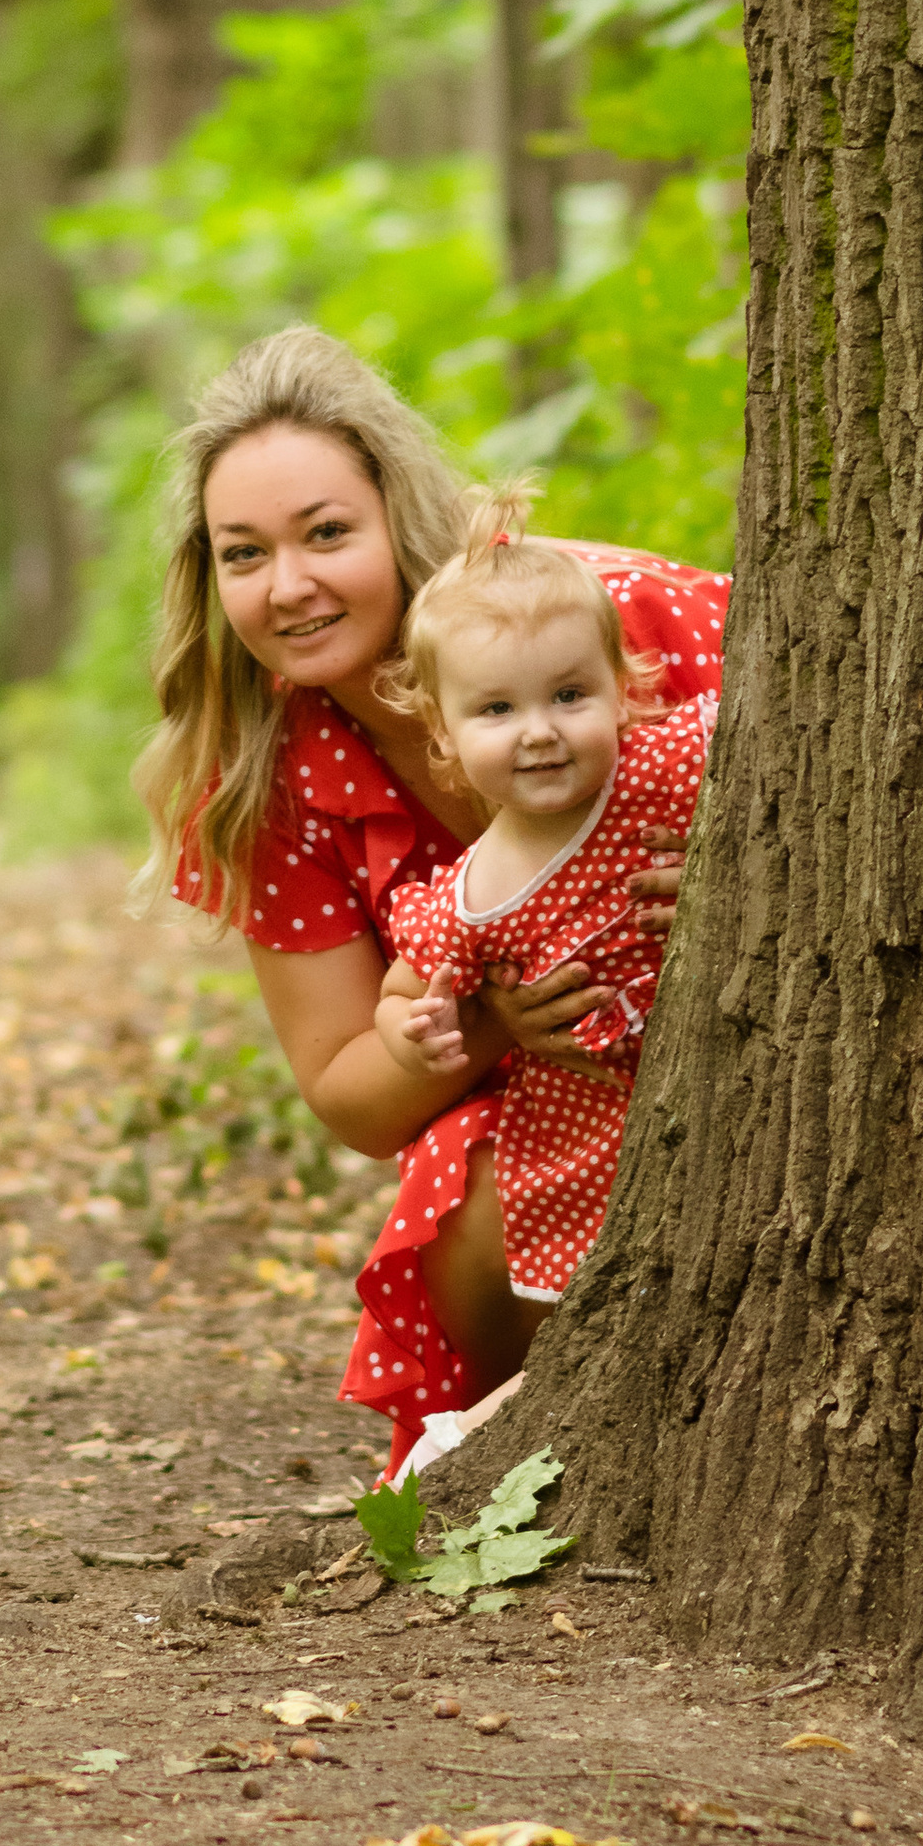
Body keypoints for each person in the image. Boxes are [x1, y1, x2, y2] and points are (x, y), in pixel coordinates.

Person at [138, 326, 730, 1473]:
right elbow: (351, 1099)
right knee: (463, 1192)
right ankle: (566, 1447)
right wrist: (490, 1025)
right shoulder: (269, 773)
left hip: (758, 1050)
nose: (289, 585)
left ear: (393, 517)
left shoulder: (594, 617)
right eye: (243, 554)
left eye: (324, 534)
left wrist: (742, 887)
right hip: (549, 1105)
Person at [368, 497, 713, 1429]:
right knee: (598, 1318)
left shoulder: (672, 772)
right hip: (590, 1123)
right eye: (496, 709)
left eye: (569, 695)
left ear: (624, 687)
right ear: (442, 737)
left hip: (722, 1076)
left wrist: (732, 874)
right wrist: (411, 1029)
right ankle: (504, 1434)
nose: (539, 731)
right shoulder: (469, 895)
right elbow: (406, 987)